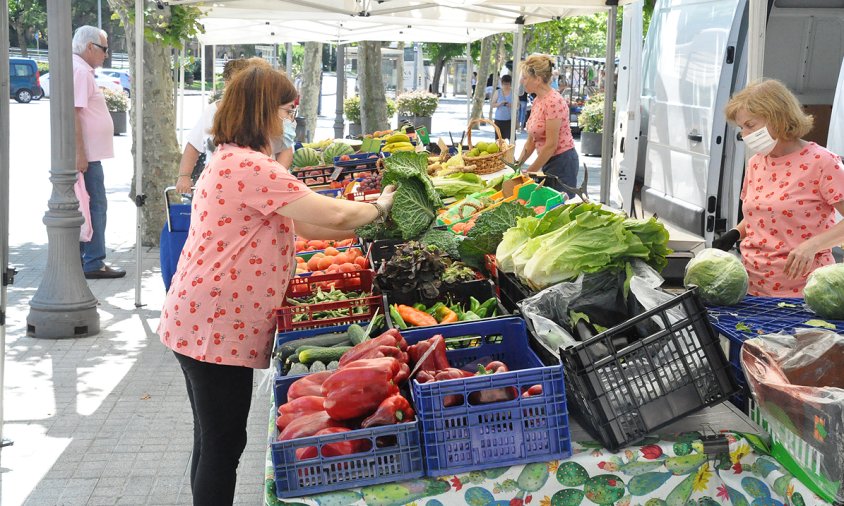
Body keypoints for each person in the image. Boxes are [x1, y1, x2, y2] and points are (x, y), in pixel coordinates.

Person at [157, 65, 395, 506]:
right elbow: (336, 215)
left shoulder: (230, 158)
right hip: (215, 325)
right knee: (224, 443)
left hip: (201, 318)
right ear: (263, 110)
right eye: (287, 110)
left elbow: (307, 222)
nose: (289, 120)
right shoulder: (249, 166)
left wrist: (365, 227)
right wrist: (380, 208)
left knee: (212, 440)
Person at [715, 79, 844, 296]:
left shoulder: (822, 163)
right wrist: (736, 233)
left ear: (777, 118)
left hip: (806, 292)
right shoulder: (756, 163)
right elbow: (762, 214)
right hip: (752, 287)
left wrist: (811, 246)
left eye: (750, 125)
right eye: (741, 128)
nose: (744, 135)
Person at [176, 58, 294, 194]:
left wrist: (274, 177)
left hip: (257, 186)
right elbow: (193, 145)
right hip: (221, 187)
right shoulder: (213, 111)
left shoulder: (265, 114)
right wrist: (184, 176)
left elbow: (286, 148)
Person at [73, 25, 123, 279]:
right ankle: (93, 261)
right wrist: (80, 153)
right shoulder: (80, 71)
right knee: (96, 207)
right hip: (87, 157)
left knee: (89, 206)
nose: (106, 54)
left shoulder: (80, 69)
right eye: (104, 48)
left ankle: (88, 259)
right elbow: (74, 113)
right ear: (90, 47)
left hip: (89, 155)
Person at [516, 54, 579, 197]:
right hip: (548, 160)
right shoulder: (538, 100)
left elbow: (551, 145)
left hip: (562, 163)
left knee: (558, 208)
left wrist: (530, 173)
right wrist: (516, 165)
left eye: (525, 78)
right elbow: (531, 141)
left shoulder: (553, 101)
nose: (522, 81)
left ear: (537, 79)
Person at [492, 74, 514, 140]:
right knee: (499, 140)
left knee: (511, 139)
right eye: (504, 84)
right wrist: (500, 103)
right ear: (502, 83)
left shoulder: (513, 92)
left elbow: (518, 105)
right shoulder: (498, 92)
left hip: (509, 120)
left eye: (508, 84)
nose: (506, 86)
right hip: (499, 120)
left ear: (510, 83)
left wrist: (510, 105)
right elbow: (492, 105)